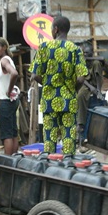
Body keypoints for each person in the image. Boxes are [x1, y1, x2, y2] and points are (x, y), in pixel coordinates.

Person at [29, 16, 88, 155]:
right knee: (68, 140)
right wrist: (72, 90)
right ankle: (67, 169)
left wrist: (49, 83)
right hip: (69, 100)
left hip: (49, 100)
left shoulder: (44, 48)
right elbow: (81, 79)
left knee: (49, 141)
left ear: (55, 29)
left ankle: (49, 169)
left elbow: (34, 75)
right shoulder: (75, 49)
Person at [0, 37, 19, 155]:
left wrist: (9, 91)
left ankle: (8, 161)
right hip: (11, 101)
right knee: (13, 132)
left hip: (7, 101)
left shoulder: (4, 60)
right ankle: (14, 159)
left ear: (4, 47)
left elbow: (14, 74)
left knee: (7, 134)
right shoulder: (7, 60)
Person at [77, 45, 104, 140]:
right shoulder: (81, 62)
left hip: (95, 83)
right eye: (84, 53)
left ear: (91, 53)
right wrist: (91, 87)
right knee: (80, 95)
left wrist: (98, 90)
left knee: (97, 64)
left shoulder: (95, 62)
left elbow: (99, 76)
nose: (85, 55)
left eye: (87, 53)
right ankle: (81, 123)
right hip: (86, 83)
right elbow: (81, 78)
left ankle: (99, 91)